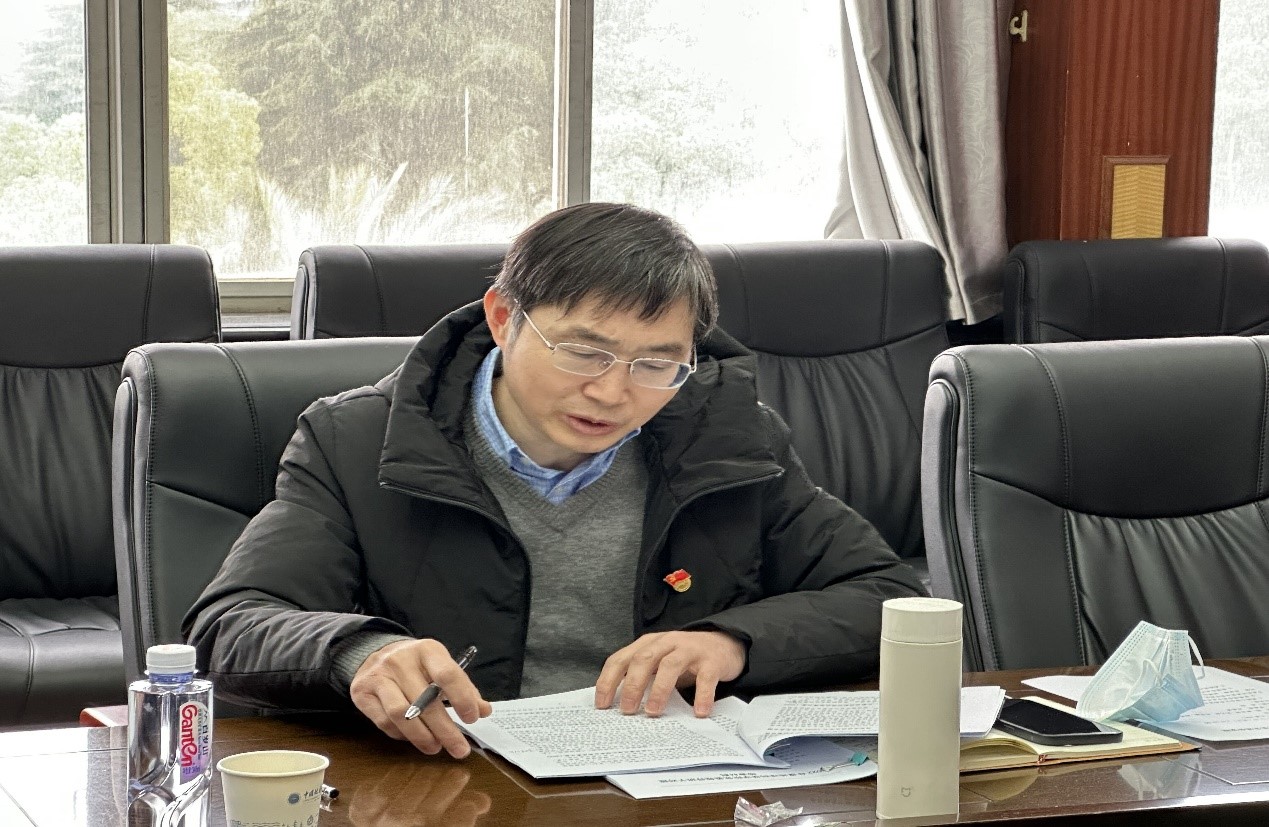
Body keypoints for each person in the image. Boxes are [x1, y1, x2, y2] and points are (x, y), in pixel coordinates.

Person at [184, 202, 925, 760]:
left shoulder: (727, 437)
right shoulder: (354, 440)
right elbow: (231, 622)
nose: (612, 392)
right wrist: (360, 653)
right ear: (503, 318)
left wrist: (733, 641)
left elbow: (886, 596)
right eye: (583, 352)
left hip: (664, 781)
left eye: (656, 363)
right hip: (450, 782)